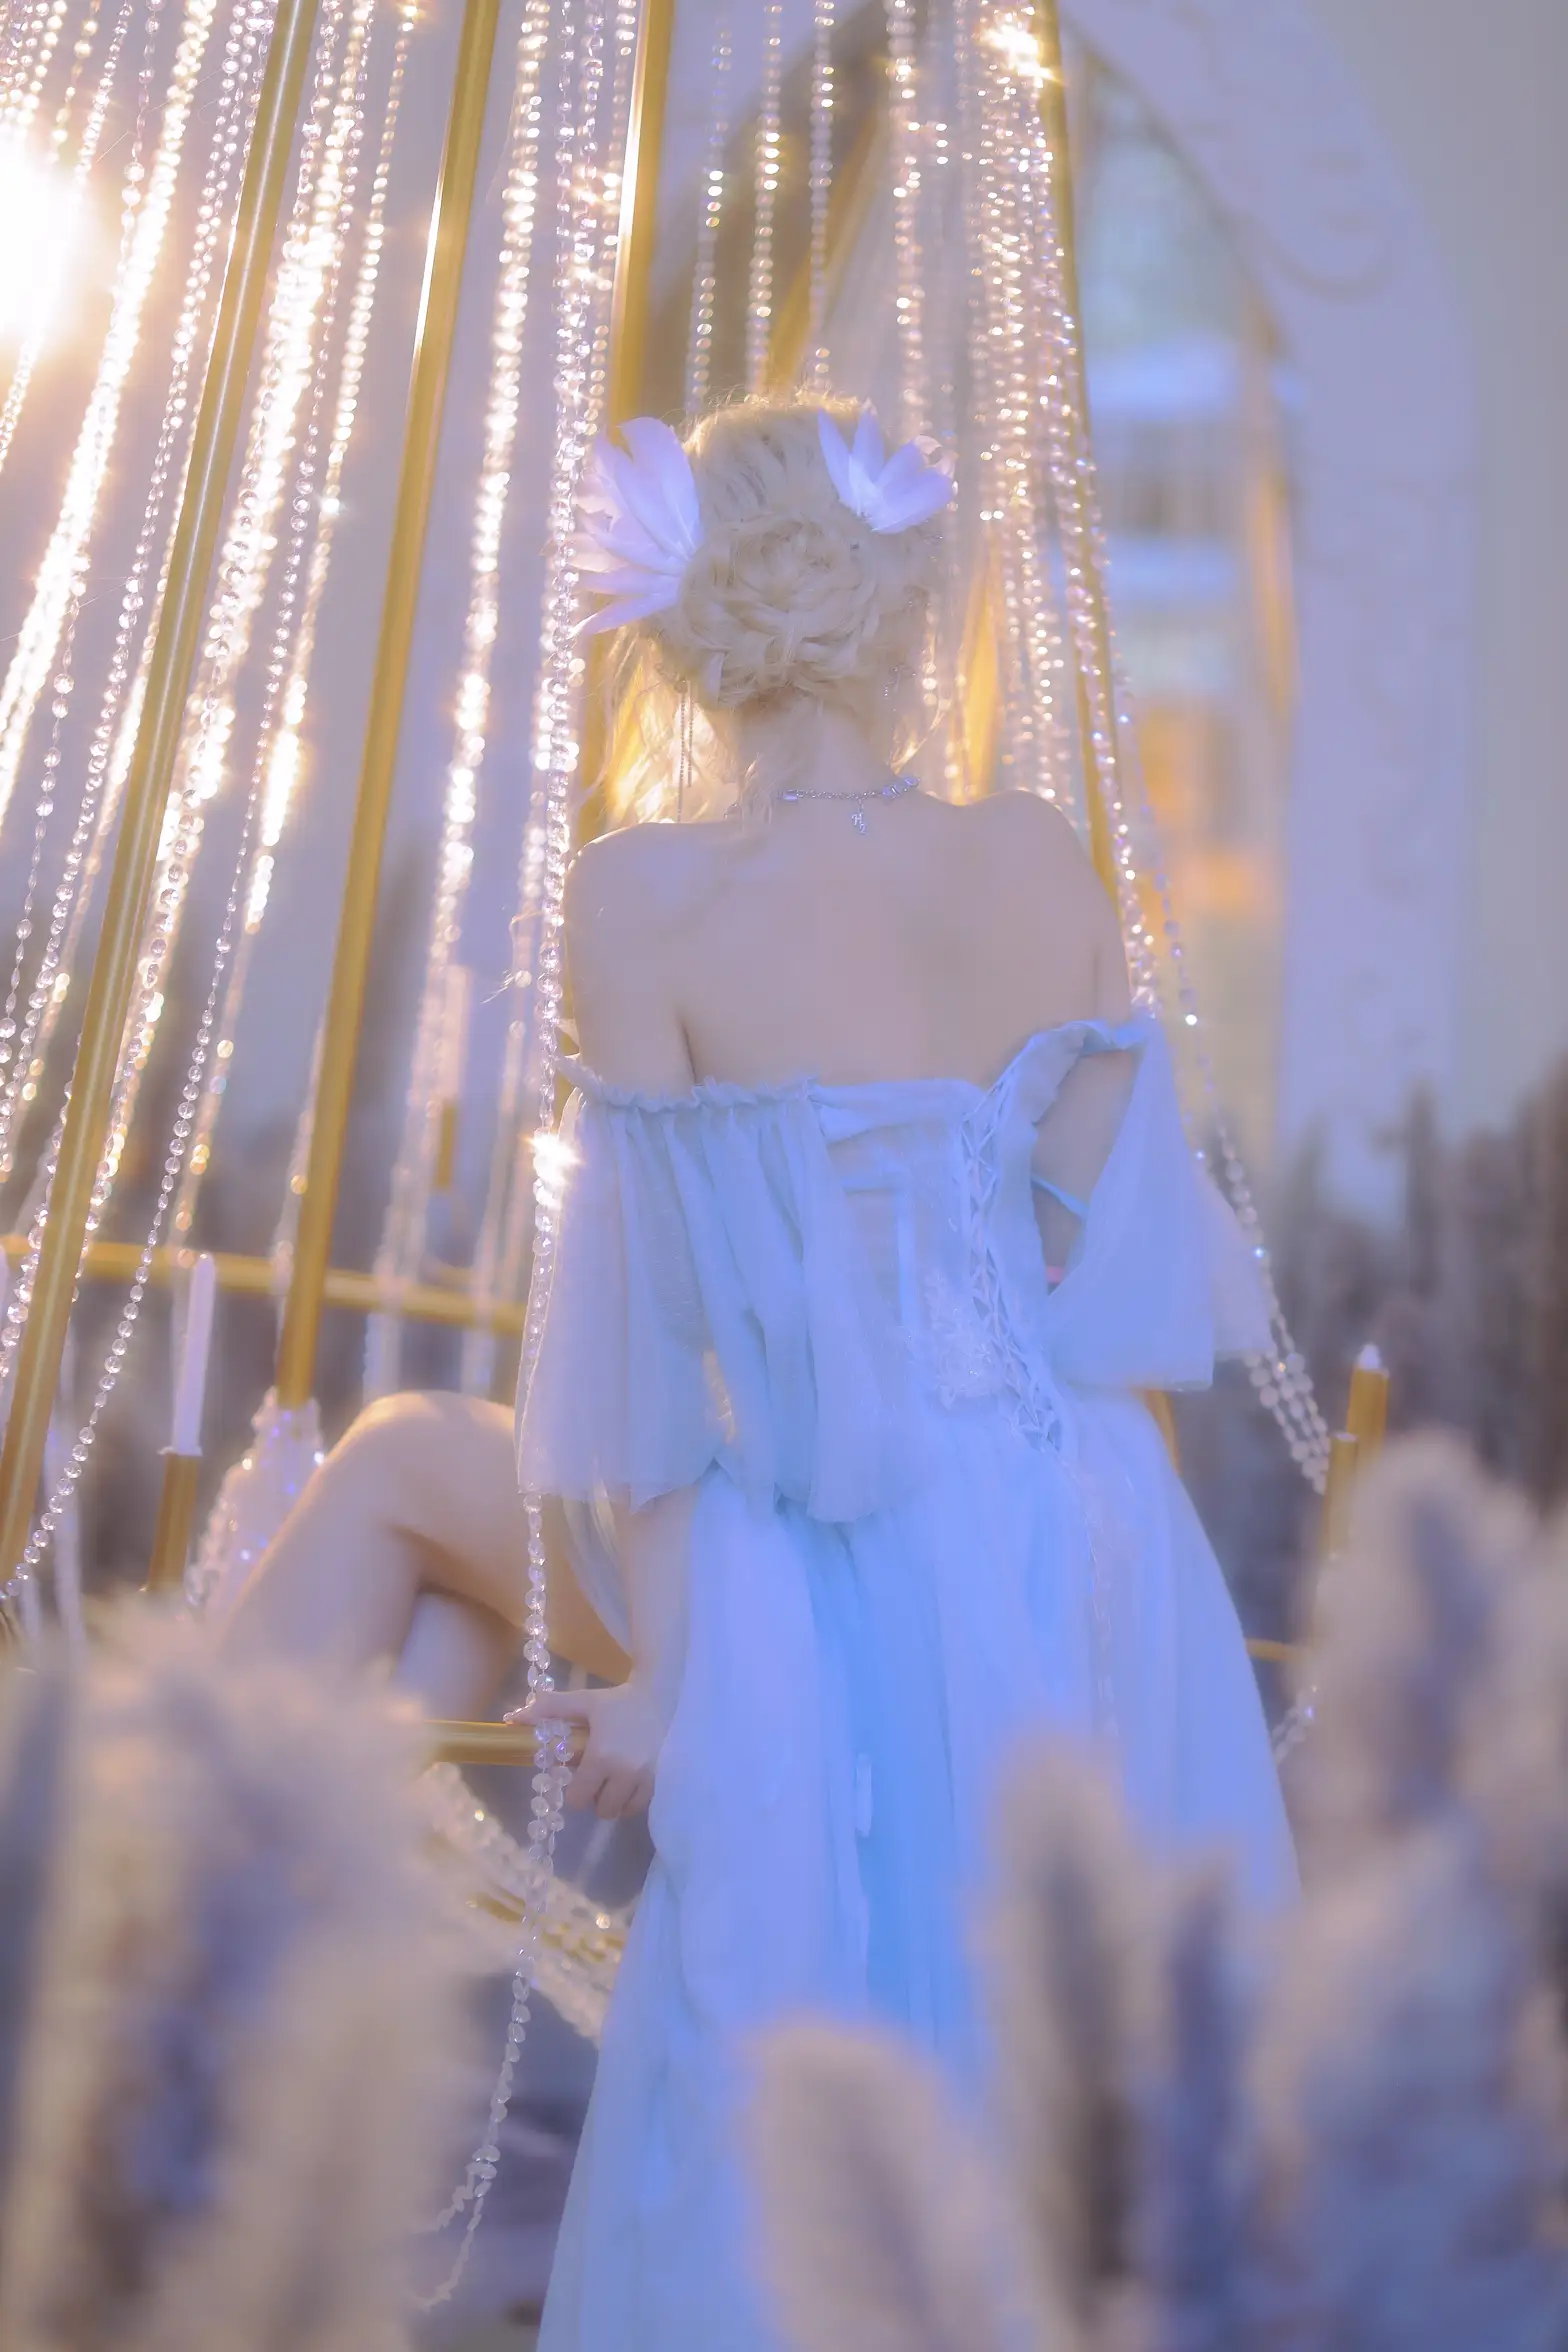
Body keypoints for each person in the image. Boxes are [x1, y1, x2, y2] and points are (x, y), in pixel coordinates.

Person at [222, 393, 1294, 2350]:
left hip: (808, 1536)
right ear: (904, 604)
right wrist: (1118, 1613)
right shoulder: (1036, 859)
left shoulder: (645, 894)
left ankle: (172, 1956)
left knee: (391, 1459)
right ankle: (301, 1970)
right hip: (1081, 1529)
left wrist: (674, 1673)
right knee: (1034, 2090)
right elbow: (1112, 1290)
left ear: (687, 614)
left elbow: (653, 1343)